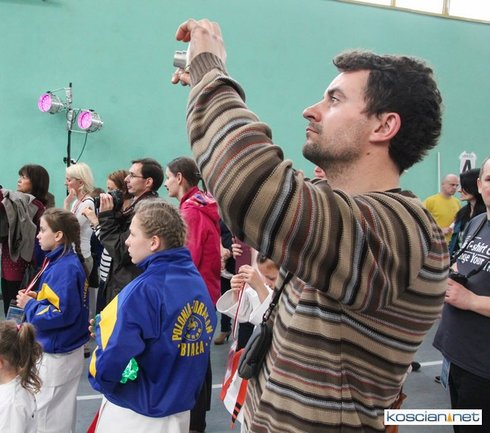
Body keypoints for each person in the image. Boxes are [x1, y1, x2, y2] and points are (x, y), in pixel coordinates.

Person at [172, 19, 449, 431]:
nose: (311, 110)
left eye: (334, 100)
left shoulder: (406, 231)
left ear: (384, 126)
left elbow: (250, 184)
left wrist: (209, 72)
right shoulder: (346, 216)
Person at [88, 199, 216, 433]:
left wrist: (101, 370)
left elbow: (114, 357)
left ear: (154, 242)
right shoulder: (195, 281)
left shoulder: (144, 290)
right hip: (178, 409)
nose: (127, 241)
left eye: (133, 234)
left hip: (137, 415)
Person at [15, 208, 88, 433]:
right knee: (60, 413)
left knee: (47, 416)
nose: (38, 235)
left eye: (43, 230)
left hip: (58, 353)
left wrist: (30, 305)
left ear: (58, 235)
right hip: (65, 348)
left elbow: (62, 313)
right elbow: (61, 300)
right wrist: (39, 297)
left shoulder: (64, 268)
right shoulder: (61, 262)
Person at [433, 157, 490, 433]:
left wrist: (470, 300)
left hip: (483, 367)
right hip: (457, 355)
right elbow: (462, 266)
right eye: (489, 180)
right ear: (479, 185)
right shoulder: (477, 222)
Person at [164, 156, 221, 433]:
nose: (166, 183)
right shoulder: (199, 205)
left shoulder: (192, 212)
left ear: (179, 177)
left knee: (190, 359)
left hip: (193, 297)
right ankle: (197, 419)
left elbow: (188, 259)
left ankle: (195, 422)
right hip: (203, 293)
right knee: (198, 357)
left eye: (168, 177)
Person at [0, 162, 49, 315]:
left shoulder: (34, 204)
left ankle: (18, 331)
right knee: (9, 309)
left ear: (36, 182)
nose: (19, 180)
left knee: (17, 312)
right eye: (20, 176)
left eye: (24, 177)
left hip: (22, 268)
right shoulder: (18, 200)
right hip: (8, 266)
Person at [95, 158, 162, 310]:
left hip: (128, 287)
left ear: (148, 182)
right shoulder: (137, 206)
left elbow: (121, 251)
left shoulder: (147, 211)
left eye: (132, 175)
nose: (126, 179)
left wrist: (106, 217)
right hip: (122, 283)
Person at [82, 169, 131, 314]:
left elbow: (110, 242)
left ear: (123, 191)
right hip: (105, 274)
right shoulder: (117, 211)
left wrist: (95, 221)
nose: (106, 195)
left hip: (114, 277)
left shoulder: (126, 215)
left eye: (111, 190)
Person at [64, 162, 95, 276]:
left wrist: (66, 203)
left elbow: (68, 228)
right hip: (74, 254)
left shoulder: (87, 203)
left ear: (80, 182)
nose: (65, 183)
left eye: (69, 180)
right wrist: (68, 203)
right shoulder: (77, 202)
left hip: (82, 258)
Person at [449, 168, 485, 257]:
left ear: (474, 187)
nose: (459, 190)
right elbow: (455, 242)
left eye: (464, 186)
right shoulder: (462, 213)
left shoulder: (486, 215)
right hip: (458, 260)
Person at [424, 173, 461, 243]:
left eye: (457, 185)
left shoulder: (457, 202)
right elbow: (421, 222)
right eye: (452, 184)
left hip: (452, 243)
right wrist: (440, 230)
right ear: (443, 184)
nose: (455, 188)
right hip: (436, 243)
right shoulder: (430, 201)